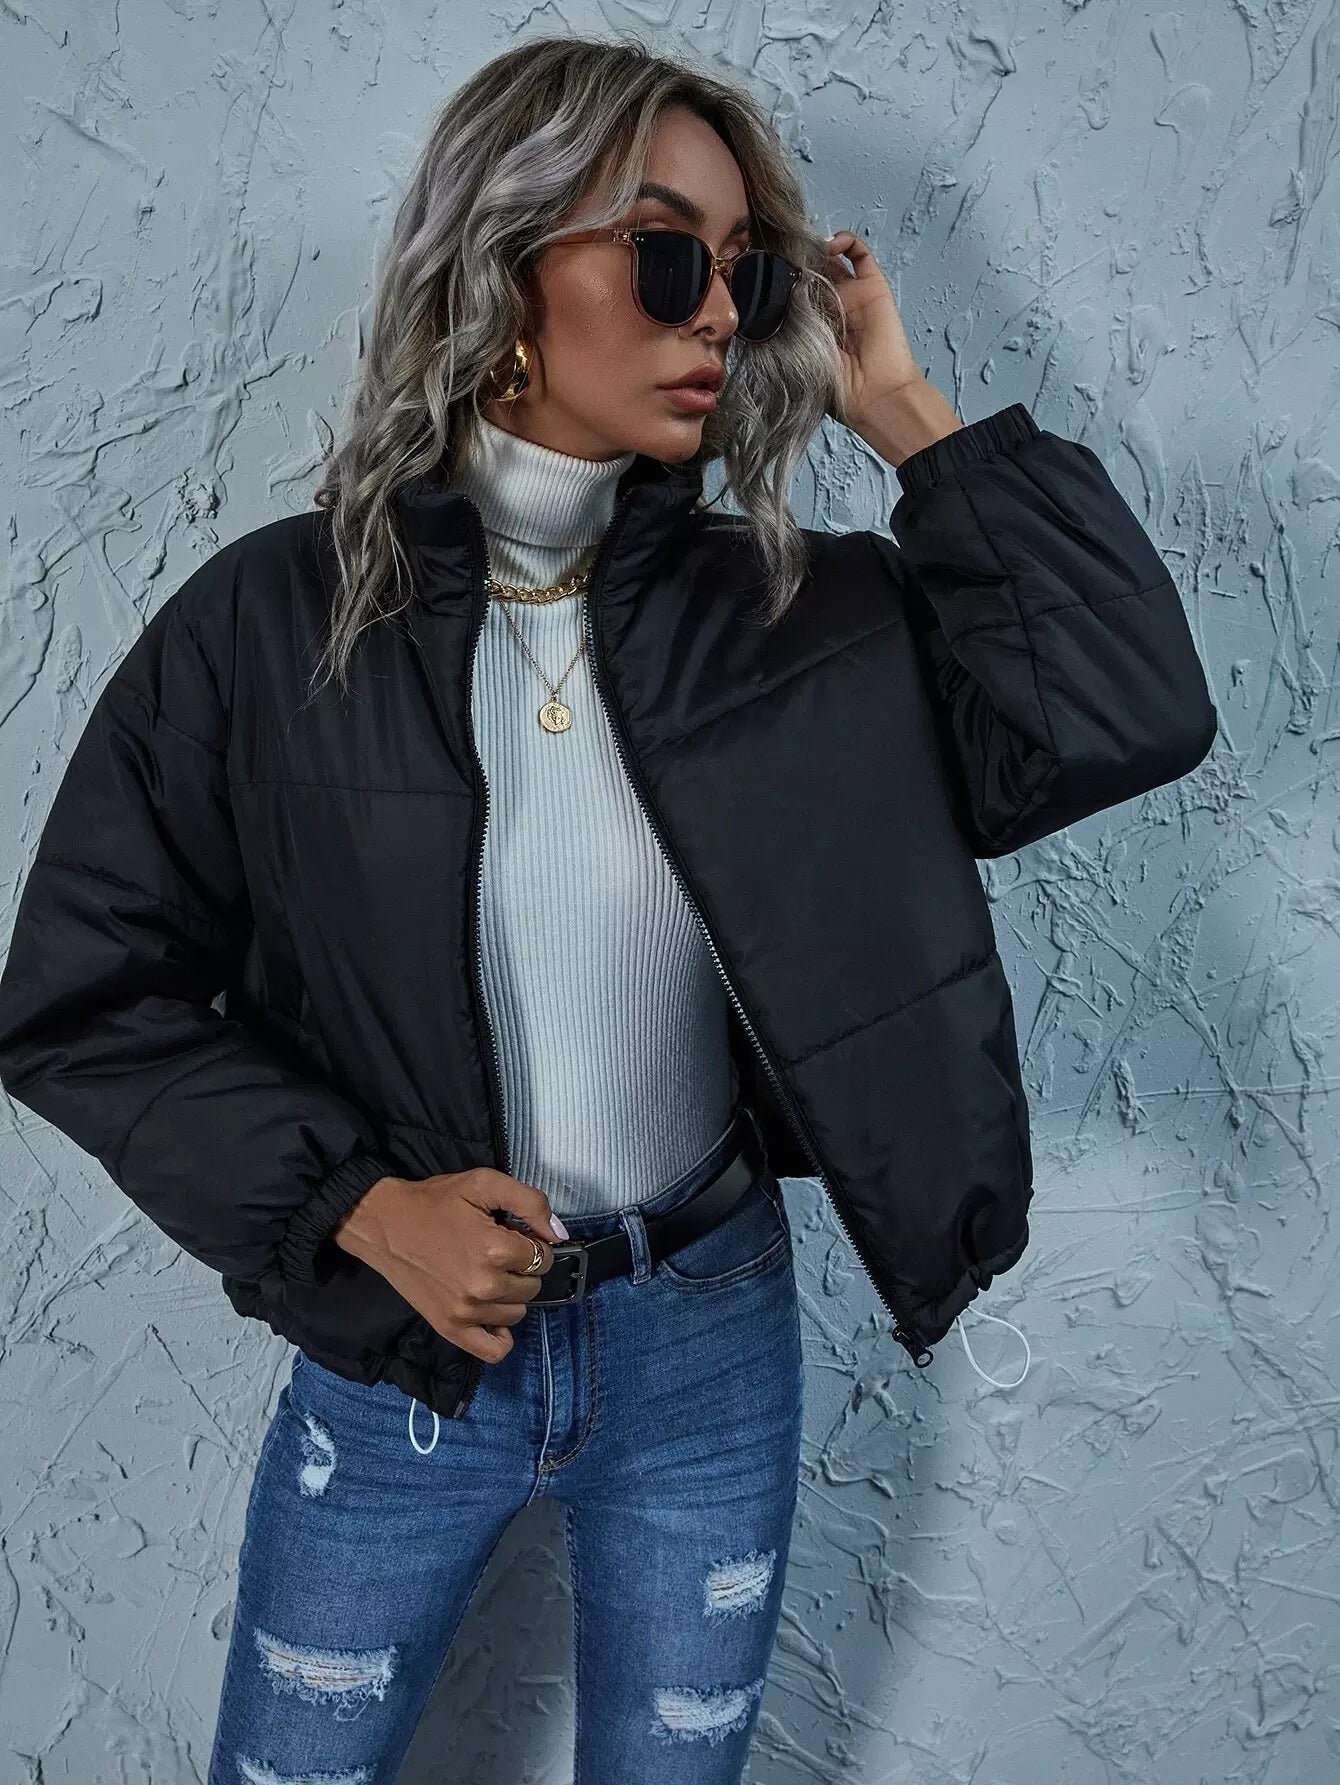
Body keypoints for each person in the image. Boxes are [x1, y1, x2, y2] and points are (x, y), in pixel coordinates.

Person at [0, 33, 1217, 1785]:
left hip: (705, 1342)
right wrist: (355, 1208)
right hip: (409, 1354)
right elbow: (77, 999)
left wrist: (902, 412)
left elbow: (1126, 712)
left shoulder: (807, 624)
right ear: (505, 266)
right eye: (662, 255)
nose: (715, 310)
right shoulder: (271, 628)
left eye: (745, 269)